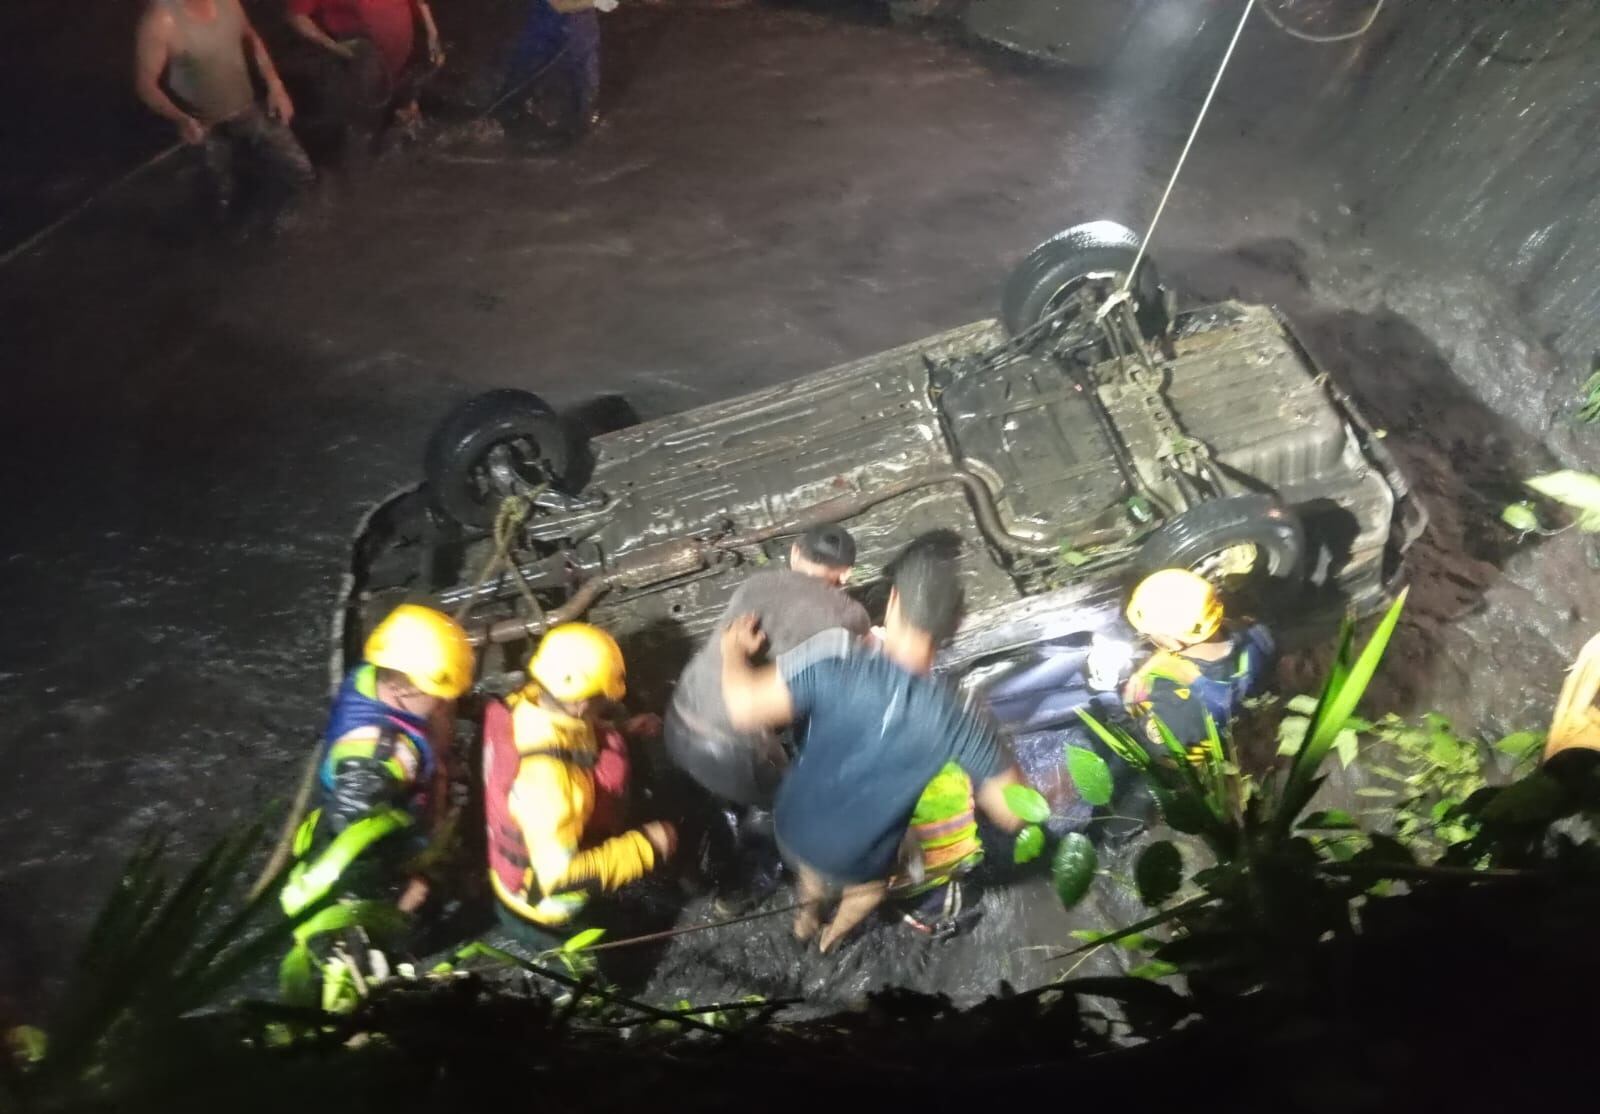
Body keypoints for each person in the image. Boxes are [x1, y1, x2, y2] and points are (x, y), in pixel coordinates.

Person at [720, 550, 1029, 953]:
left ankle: (805, 921)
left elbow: (743, 709)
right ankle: (830, 941)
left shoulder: (835, 663)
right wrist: (997, 748)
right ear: (953, 627)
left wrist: (733, 653)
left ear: (894, 601)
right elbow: (1015, 812)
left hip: (795, 826)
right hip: (859, 857)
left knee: (812, 873)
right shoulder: (959, 720)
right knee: (868, 891)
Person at [483, 623, 677, 943]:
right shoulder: (549, 788)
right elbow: (558, 879)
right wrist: (646, 847)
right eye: (603, 701)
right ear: (584, 702)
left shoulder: (525, 702)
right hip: (542, 907)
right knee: (585, 963)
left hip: (525, 860)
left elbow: (566, 736)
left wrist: (621, 730)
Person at [282, 604, 475, 919]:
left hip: (398, 803)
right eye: (439, 696)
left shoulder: (370, 677)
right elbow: (349, 849)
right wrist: (397, 890)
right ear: (404, 686)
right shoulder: (373, 760)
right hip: (391, 857)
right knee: (412, 913)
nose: (445, 702)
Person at [135, 0, 314, 228]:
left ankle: (280, 224)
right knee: (223, 201)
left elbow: (251, 37)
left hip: (247, 110)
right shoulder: (161, 21)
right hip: (204, 127)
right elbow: (146, 85)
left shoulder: (229, 3)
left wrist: (275, 84)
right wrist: (181, 119)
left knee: (299, 170)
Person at [1120, 569, 1275, 748]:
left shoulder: (1177, 711)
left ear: (1174, 641)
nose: (1147, 636)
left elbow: (1143, 749)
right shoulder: (1258, 635)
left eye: (1149, 633)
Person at [285, 0, 444, 131]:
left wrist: (431, 31)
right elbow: (297, 16)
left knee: (406, 116)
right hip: (359, 64)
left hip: (403, 58)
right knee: (367, 124)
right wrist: (332, 46)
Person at [500, 0, 619, 144]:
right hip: (551, 31)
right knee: (535, 76)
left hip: (578, 31)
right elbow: (558, 4)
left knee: (583, 78)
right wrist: (594, 2)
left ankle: (581, 118)